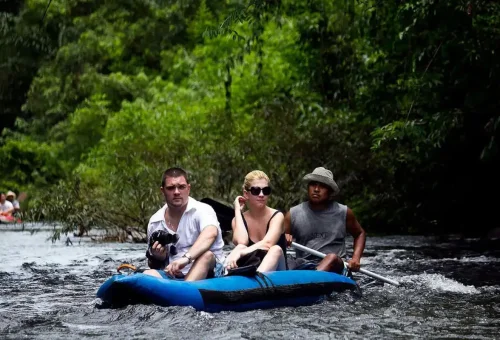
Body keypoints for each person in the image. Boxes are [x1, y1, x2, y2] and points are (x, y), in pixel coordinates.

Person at [143, 167, 225, 281]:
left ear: (188, 188)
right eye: (171, 188)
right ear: (163, 191)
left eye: (181, 187)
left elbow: (210, 234)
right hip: (173, 275)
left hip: (210, 270)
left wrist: (186, 259)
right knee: (149, 273)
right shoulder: (155, 222)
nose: (176, 192)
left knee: (206, 256)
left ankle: (184, 291)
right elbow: (153, 265)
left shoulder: (203, 210)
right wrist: (157, 257)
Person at [284, 167, 366, 275]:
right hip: (304, 265)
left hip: (336, 265)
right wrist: (283, 238)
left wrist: (356, 258)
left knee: (331, 258)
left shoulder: (343, 212)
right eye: (313, 184)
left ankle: (312, 279)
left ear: (330, 191)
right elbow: (277, 242)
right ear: (308, 188)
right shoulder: (293, 214)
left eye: (322, 186)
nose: (316, 189)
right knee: (286, 261)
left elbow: (360, 233)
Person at [225, 170, 287, 273]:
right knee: (240, 247)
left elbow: (267, 244)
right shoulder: (237, 220)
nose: (261, 195)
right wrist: (237, 210)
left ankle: (257, 285)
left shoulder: (277, 216)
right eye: (256, 190)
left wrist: (241, 253)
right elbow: (241, 242)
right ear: (246, 194)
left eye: (265, 190)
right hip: (251, 268)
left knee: (275, 249)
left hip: (278, 272)